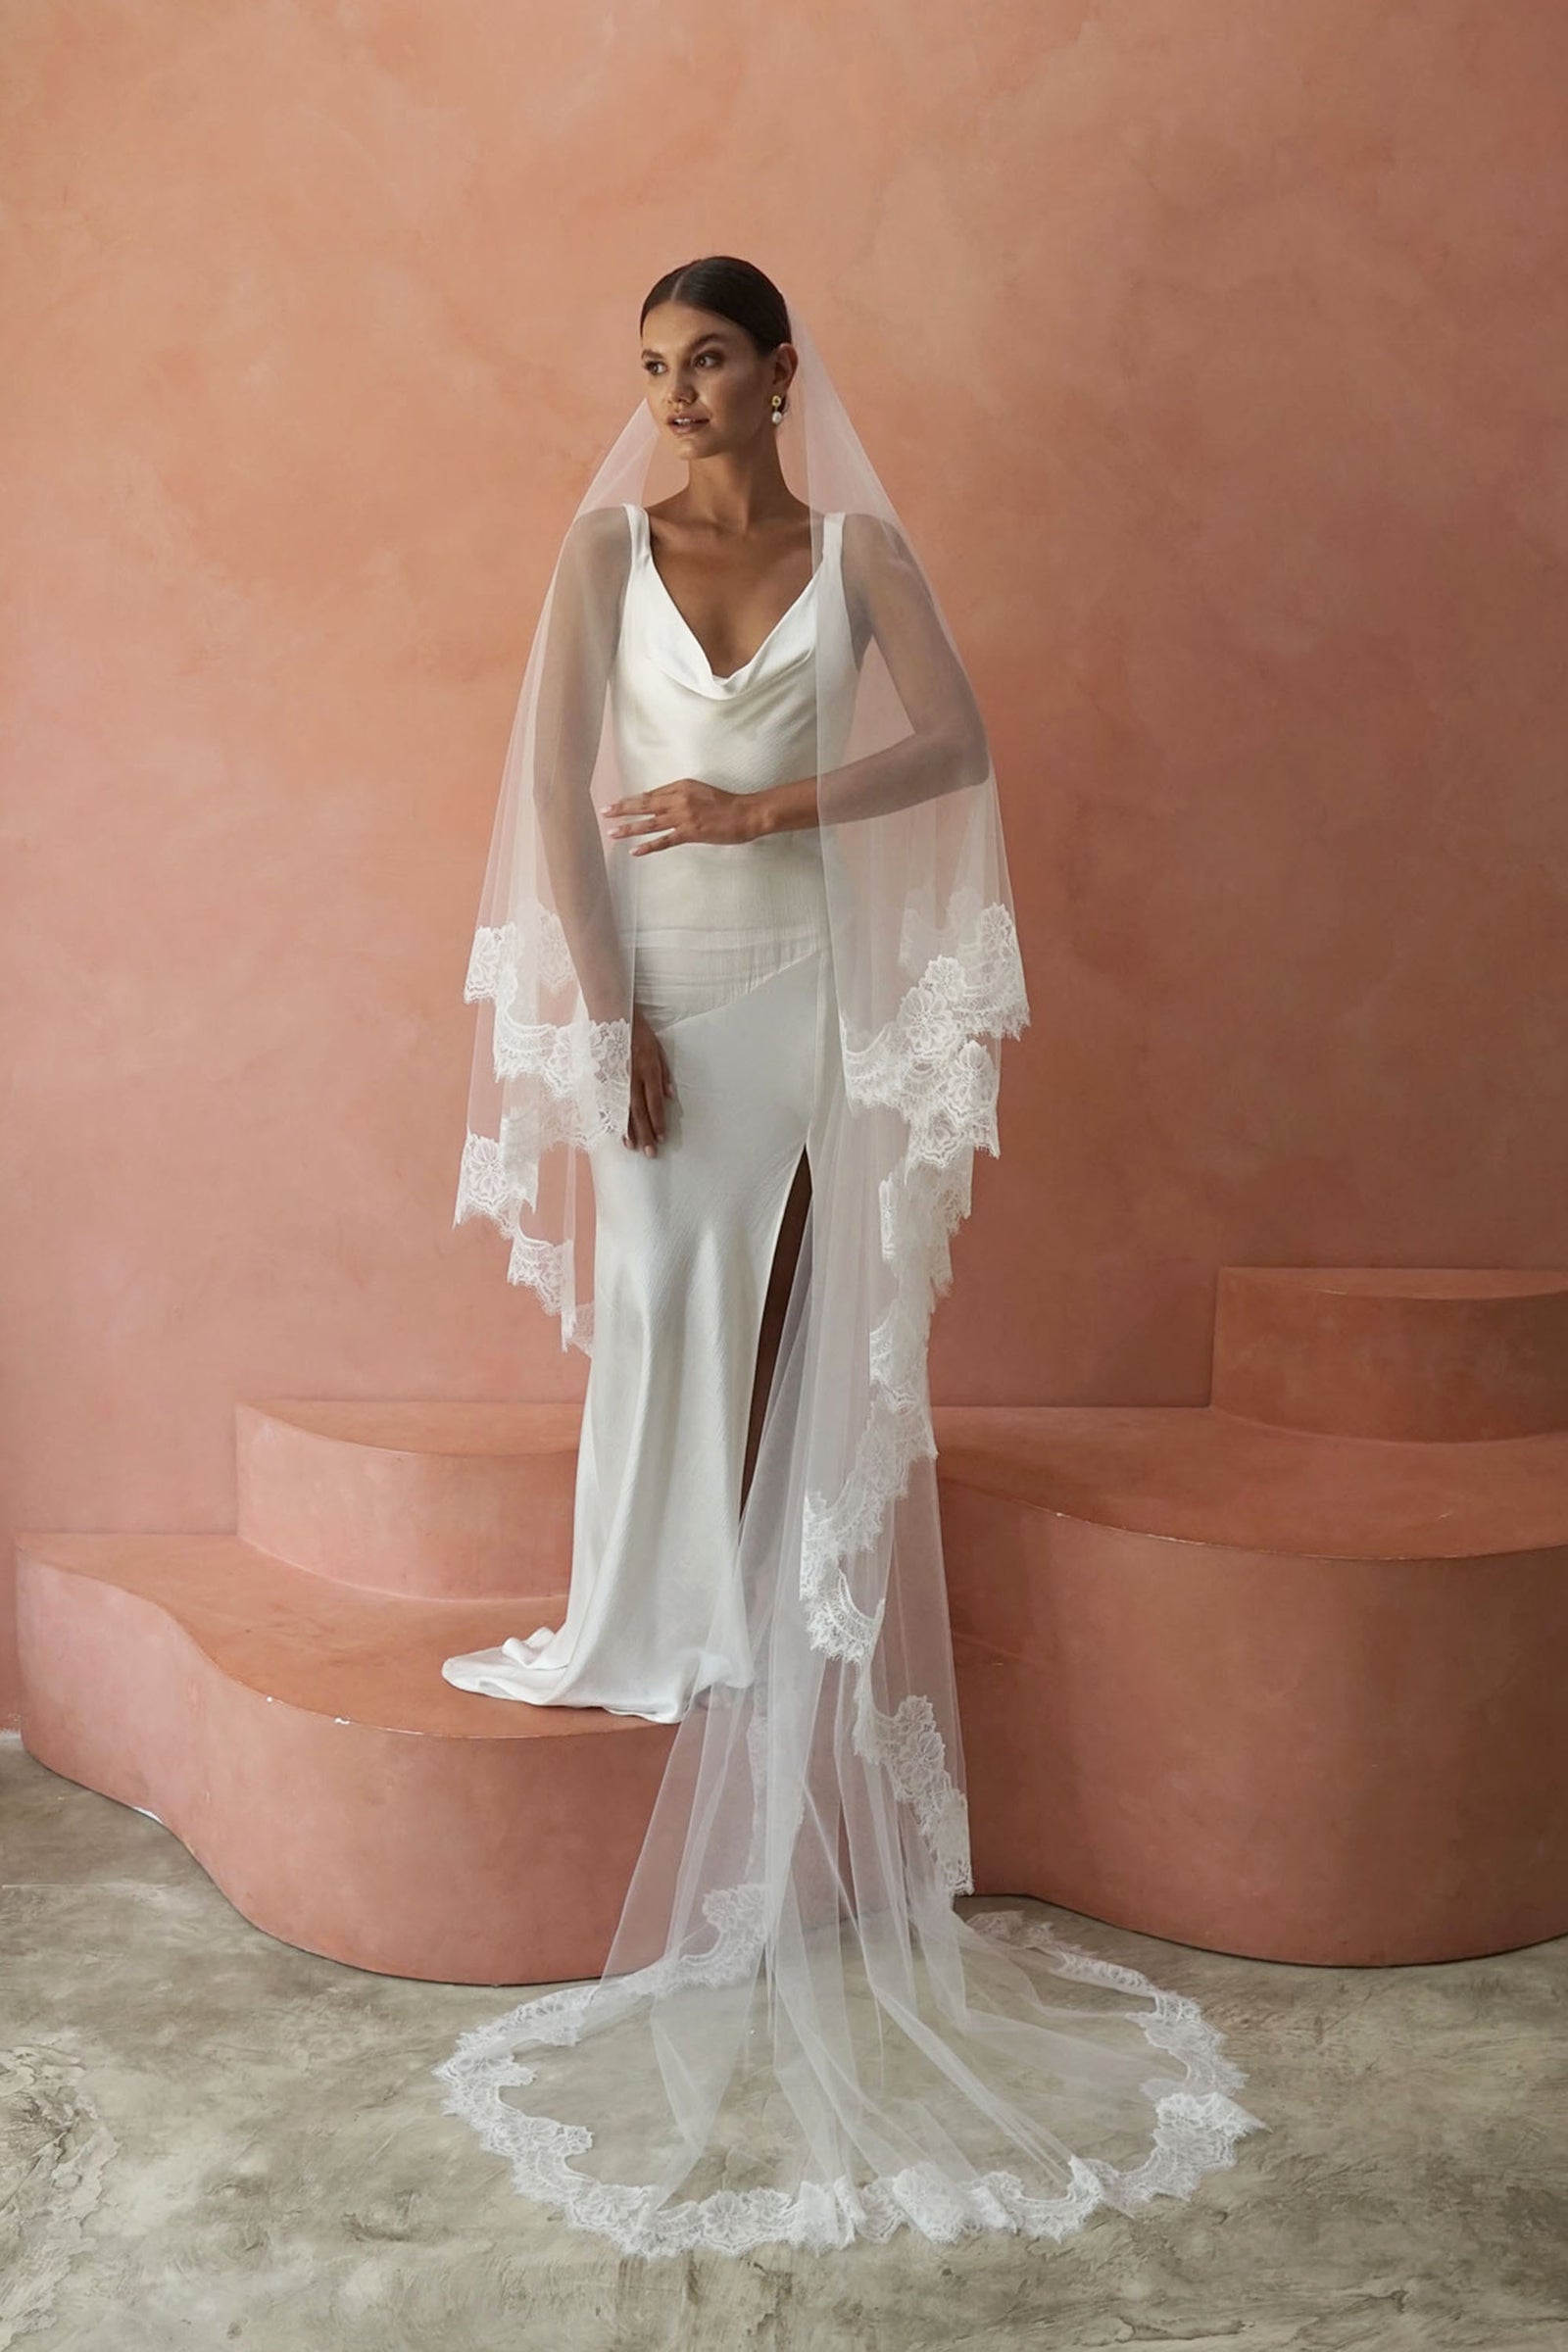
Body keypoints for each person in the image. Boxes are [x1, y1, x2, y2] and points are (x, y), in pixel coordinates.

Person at [435, 258, 1267, 2257]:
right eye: (647, 366)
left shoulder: (854, 553)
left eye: (705, 359)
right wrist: (602, 1005)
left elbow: (953, 744)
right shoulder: (597, 557)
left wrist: (764, 804)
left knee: (775, 1315)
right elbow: (554, 788)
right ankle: (636, 1624)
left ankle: (729, 1617)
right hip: (659, 982)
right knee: (656, 1297)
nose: (673, 394)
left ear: (780, 372)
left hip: (799, 976)